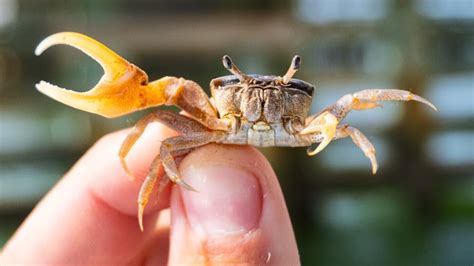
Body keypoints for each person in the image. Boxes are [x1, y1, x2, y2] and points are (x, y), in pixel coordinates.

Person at [1, 123, 299, 265]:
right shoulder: (206, 121)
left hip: (293, 129)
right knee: (165, 141)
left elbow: (348, 108)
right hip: (218, 129)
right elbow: (163, 127)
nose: (259, 101)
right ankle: (144, 196)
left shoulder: (317, 123)